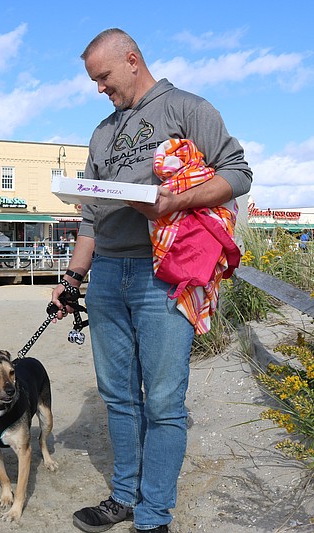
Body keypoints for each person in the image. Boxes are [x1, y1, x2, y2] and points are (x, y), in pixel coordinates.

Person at [51, 29, 252, 533]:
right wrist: (74, 277)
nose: (99, 88)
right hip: (107, 278)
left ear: (133, 59)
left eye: (103, 77)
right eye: (94, 80)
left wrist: (172, 202)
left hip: (164, 273)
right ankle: (123, 495)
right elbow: (92, 219)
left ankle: (154, 515)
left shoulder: (186, 108)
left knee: (163, 401)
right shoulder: (101, 133)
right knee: (118, 395)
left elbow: (239, 172)